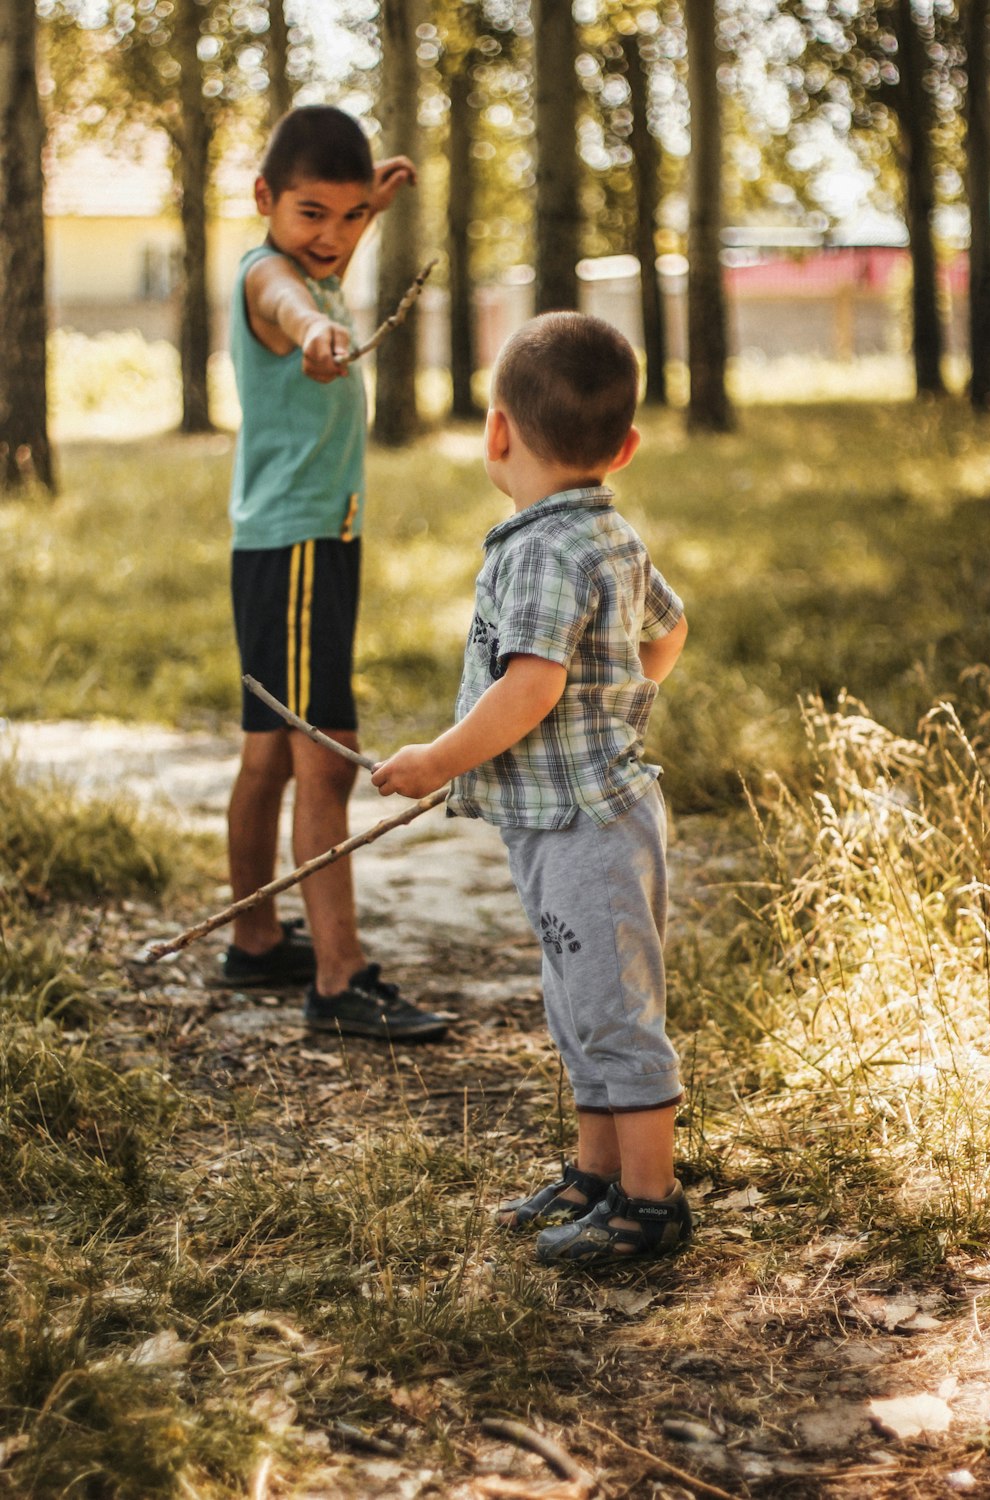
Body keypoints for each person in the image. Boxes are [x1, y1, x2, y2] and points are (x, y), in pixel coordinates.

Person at [372, 311, 691, 1264]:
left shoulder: (539, 550)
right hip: (576, 818)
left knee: (616, 1012)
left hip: (587, 822)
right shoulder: (607, 532)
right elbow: (668, 632)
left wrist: (439, 758)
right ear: (625, 447)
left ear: (496, 432)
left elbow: (533, 684)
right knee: (580, 998)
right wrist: (624, 698)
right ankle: (597, 1175)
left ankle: (649, 1203)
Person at [221, 104, 449, 1044]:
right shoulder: (271, 279)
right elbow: (292, 300)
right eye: (314, 213)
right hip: (303, 546)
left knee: (272, 753)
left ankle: (254, 939)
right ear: (265, 198)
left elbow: (318, 272)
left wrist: (373, 210)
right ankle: (337, 976)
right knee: (326, 756)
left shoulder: (313, 256)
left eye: (350, 218)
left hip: (286, 543)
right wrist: (314, 333)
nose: (333, 236)